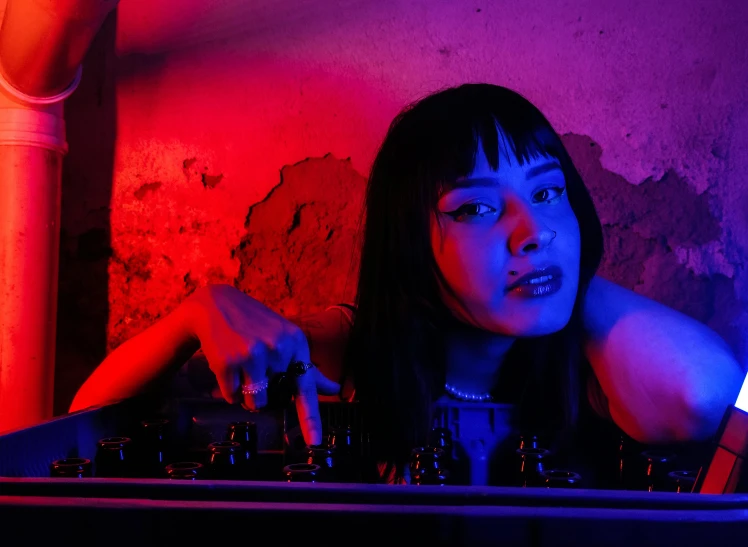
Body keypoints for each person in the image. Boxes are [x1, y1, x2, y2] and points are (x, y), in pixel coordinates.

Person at [70, 83, 744, 479]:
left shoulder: (597, 364)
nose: (531, 228)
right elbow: (80, 425)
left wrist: (566, 273)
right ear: (408, 241)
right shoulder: (342, 349)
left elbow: (704, 392)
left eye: (549, 191)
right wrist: (197, 312)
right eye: (477, 207)